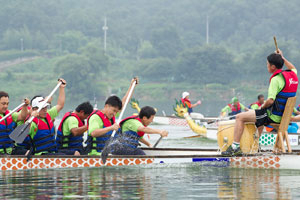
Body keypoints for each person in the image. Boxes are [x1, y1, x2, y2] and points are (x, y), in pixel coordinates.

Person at [222, 49, 298, 156]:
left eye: (267, 64)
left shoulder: (276, 80)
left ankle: (235, 147)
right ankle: (256, 146)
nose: (266, 66)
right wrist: (282, 57)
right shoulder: (293, 75)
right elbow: (293, 67)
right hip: (283, 117)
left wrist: (262, 107)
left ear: (272, 67)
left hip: (274, 116)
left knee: (240, 117)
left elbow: (270, 101)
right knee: (258, 116)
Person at [86, 78, 138, 155]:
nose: (114, 114)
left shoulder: (110, 116)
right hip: (96, 153)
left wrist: (132, 86)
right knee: (135, 152)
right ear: (106, 106)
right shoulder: (96, 117)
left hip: (109, 150)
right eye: (113, 111)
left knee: (134, 150)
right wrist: (111, 128)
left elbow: (124, 102)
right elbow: (93, 133)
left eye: (116, 112)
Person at [27, 78, 68, 155]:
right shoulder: (32, 122)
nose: (45, 110)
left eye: (45, 107)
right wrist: (30, 119)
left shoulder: (48, 114)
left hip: (52, 153)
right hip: (40, 155)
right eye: (42, 108)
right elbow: (25, 133)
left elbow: (60, 105)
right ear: (35, 109)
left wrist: (61, 88)